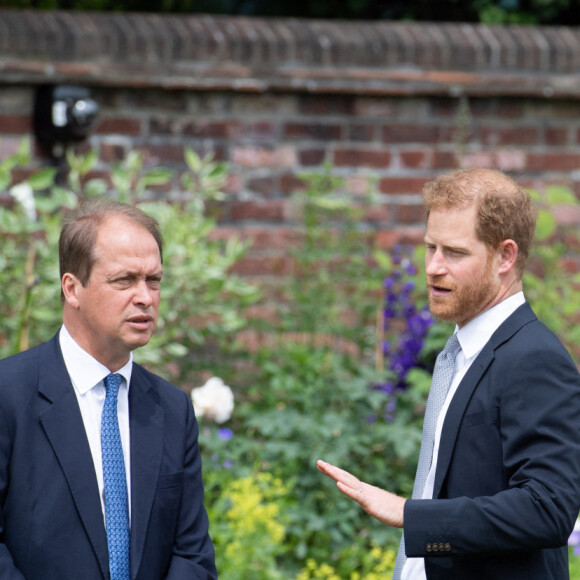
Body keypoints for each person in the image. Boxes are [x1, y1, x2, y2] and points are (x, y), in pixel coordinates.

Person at [317, 167, 580, 579]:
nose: (434, 267)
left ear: (505, 257)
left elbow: (548, 508)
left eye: (454, 252)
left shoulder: (533, 358)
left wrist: (412, 515)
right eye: (430, 247)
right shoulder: (460, 352)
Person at [0, 199, 217, 579]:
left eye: (154, 280)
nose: (145, 297)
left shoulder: (171, 409)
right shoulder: (9, 394)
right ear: (72, 288)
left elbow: (192, 555)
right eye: (124, 280)